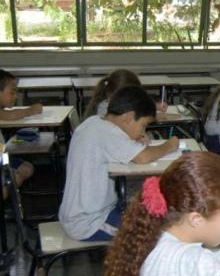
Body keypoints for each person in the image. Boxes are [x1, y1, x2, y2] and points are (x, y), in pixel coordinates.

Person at [58, 86, 179, 241]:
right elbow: (143, 157)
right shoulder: (107, 132)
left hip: (87, 212)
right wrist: (170, 145)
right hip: (89, 223)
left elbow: (119, 145)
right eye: (143, 125)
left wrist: (133, 137)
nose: (143, 131)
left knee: (145, 210)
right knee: (155, 233)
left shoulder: (95, 122)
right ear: (128, 117)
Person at [0, 69, 41, 197]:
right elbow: (10, 115)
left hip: (2, 157)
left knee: (26, 168)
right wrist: (30, 110)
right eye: (12, 92)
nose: (16, 97)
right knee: (15, 178)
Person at [82, 69, 169, 121]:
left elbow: (136, 108)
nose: (134, 100)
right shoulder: (105, 111)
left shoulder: (111, 104)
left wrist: (155, 106)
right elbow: (132, 121)